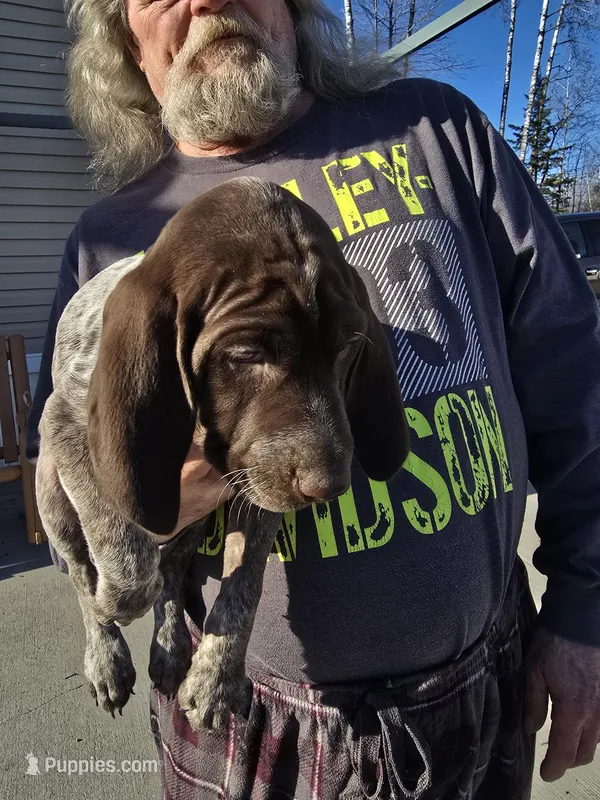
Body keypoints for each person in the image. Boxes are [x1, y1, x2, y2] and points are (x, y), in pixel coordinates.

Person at [26, 1, 600, 798]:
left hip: (485, 679)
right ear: (128, 43)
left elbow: (573, 366)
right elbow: (62, 477)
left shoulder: (437, 131)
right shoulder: (109, 243)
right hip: (247, 723)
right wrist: (153, 511)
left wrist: (585, 605)